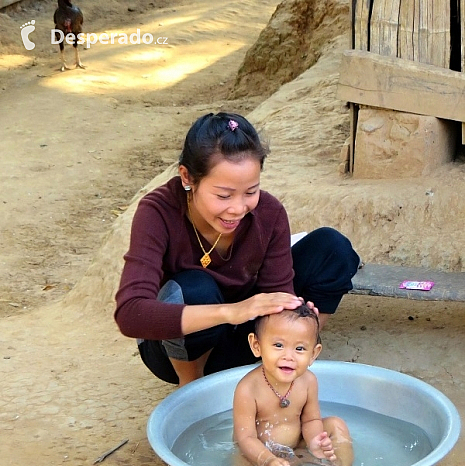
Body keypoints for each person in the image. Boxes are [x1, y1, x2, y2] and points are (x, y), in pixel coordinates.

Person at [114, 112, 360, 387]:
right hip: (175, 348)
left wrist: (294, 315)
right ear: (187, 177)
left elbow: (278, 293)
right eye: (223, 195)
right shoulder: (157, 212)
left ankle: (289, 364)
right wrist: (232, 311)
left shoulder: (269, 213)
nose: (238, 208)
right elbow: (130, 314)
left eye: (250, 191)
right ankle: (192, 390)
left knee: (332, 248)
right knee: (194, 288)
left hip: (244, 339)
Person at [232, 305, 367, 466]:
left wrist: (315, 441)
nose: (289, 356)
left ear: (313, 354)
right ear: (257, 346)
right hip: (258, 453)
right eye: (278, 345)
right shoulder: (248, 389)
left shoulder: (308, 381)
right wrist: (268, 461)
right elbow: (245, 437)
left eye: (300, 349)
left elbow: (311, 420)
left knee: (336, 424)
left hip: (298, 448)